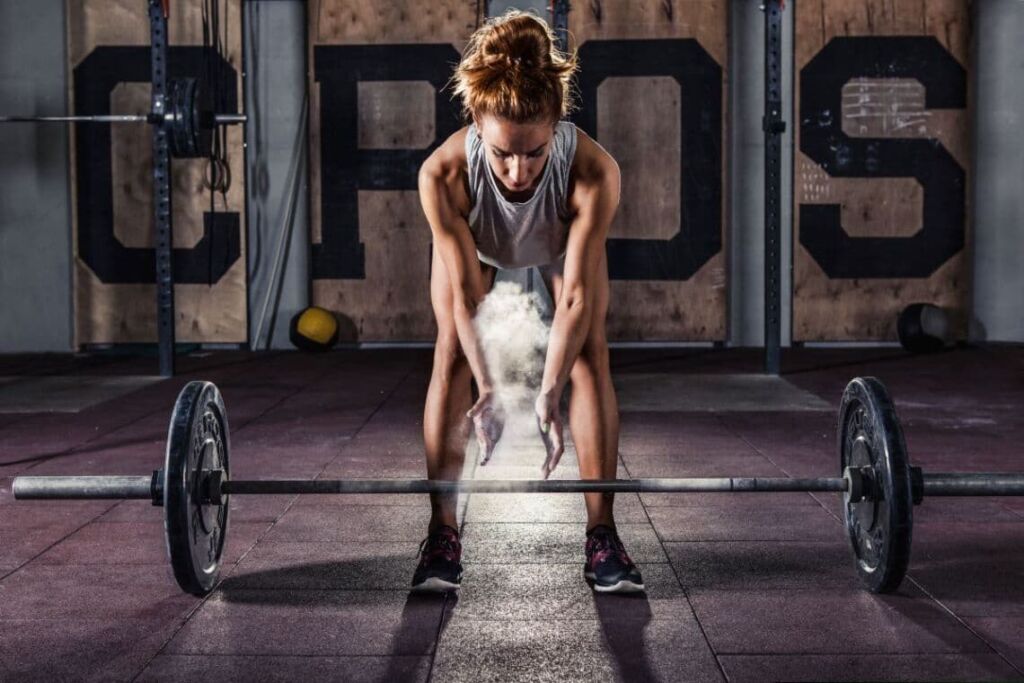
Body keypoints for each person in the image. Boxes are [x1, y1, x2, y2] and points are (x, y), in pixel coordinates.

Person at [414, 10, 644, 594]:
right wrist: (492, 390)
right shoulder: (443, 175)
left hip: (560, 238)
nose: (518, 172)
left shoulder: (593, 171)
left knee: (589, 353)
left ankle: (601, 537)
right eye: (502, 155)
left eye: (535, 153)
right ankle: (442, 535)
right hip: (479, 246)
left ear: (556, 124)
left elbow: (575, 303)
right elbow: (468, 298)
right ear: (476, 122)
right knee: (455, 354)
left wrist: (547, 394)